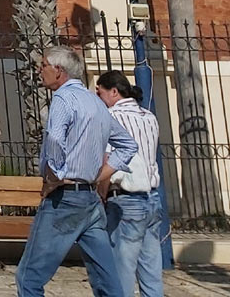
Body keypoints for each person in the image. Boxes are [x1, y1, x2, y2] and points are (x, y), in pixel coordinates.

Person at [16, 46, 138, 297]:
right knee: (106, 278)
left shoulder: (62, 99)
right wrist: (98, 175)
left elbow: (54, 140)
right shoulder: (95, 102)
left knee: (29, 277)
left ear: (59, 71)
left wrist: (54, 177)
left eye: (44, 65)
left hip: (65, 199)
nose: (40, 70)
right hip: (90, 201)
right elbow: (128, 145)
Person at [96, 71, 163, 297]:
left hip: (125, 196)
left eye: (100, 91)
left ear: (114, 92)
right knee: (151, 265)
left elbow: (107, 161)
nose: (97, 96)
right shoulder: (149, 116)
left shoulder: (111, 116)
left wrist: (101, 194)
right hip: (152, 196)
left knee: (121, 267)